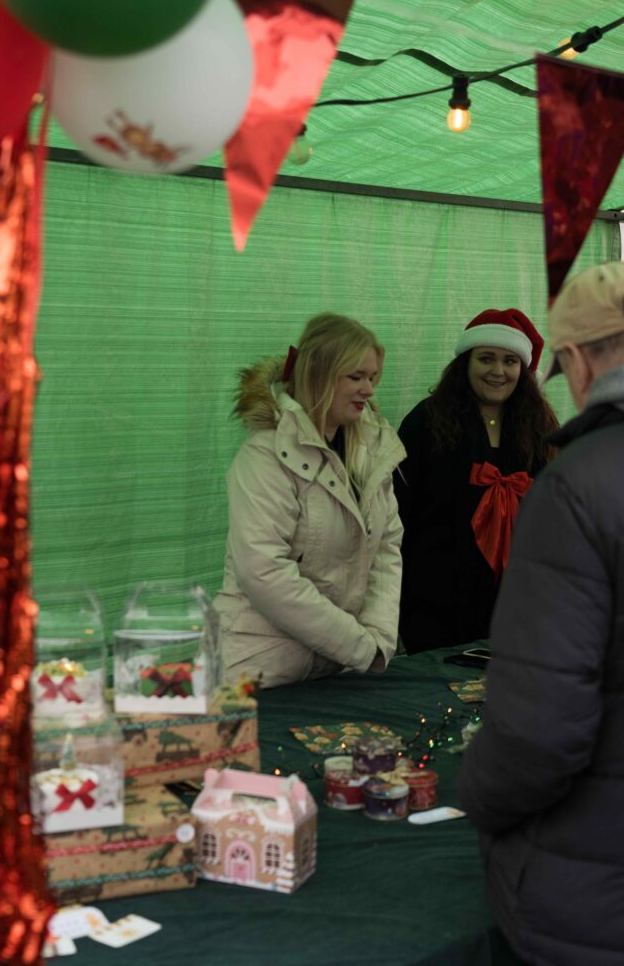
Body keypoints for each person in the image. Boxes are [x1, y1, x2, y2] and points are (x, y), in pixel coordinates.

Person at [458, 262, 624, 966]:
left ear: (577, 359)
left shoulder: (579, 482)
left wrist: (477, 796)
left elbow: (539, 730)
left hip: (593, 884)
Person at [214, 312, 404, 689]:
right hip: (259, 672)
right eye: (356, 377)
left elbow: (387, 546)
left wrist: (378, 639)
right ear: (319, 375)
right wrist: (359, 647)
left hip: (335, 671)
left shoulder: (370, 453)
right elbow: (264, 571)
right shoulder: (264, 456)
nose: (368, 390)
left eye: (372, 378)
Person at [393, 308, 559, 653]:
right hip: (435, 605)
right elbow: (396, 513)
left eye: (509, 361)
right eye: (486, 358)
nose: (498, 371)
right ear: (465, 363)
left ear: (522, 369)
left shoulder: (540, 427)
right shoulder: (425, 421)